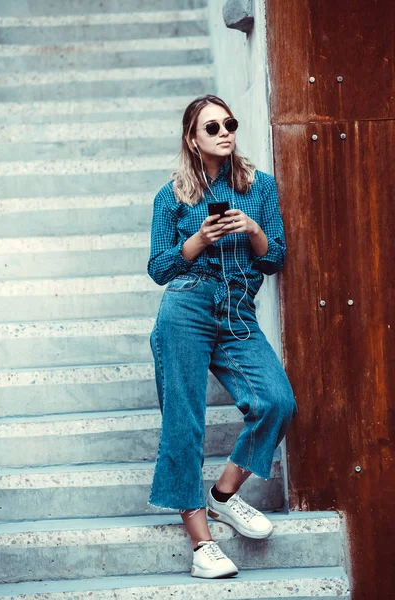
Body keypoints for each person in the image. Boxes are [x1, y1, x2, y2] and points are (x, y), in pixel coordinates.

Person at [147, 94, 298, 579]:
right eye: (212, 128)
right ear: (193, 139)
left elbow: (274, 258)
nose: (224, 132)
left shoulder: (259, 187)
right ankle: (201, 543)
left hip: (237, 315)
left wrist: (253, 229)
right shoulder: (171, 196)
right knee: (184, 421)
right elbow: (158, 268)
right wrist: (196, 242)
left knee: (277, 401)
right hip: (187, 307)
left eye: (229, 123)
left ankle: (223, 497)